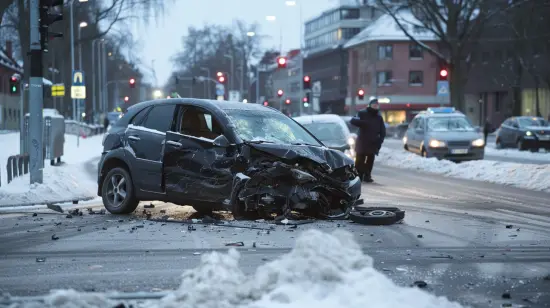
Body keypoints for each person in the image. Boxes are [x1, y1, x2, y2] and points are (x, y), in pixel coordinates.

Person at [350, 98, 386, 183]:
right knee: (360, 159)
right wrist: (363, 123)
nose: (375, 107)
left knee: (370, 160)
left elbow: (382, 131)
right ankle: (358, 175)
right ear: (370, 105)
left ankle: (367, 175)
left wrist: (380, 141)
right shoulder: (362, 113)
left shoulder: (379, 117)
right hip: (362, 141)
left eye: (377, 106)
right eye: (374, 105)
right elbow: (353, 121)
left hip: (373, 142)